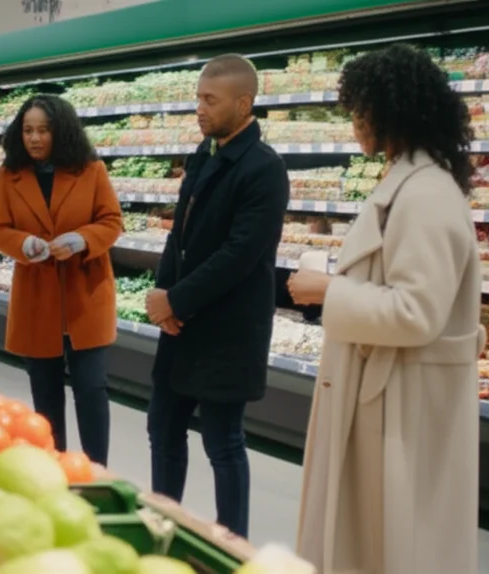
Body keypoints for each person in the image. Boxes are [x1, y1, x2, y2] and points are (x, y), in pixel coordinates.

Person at [289, 43, 483, 574]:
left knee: (397, 545)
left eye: (360, 111)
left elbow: (418, 312)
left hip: (402, 405)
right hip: (388, 394)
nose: (355, 124)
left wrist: (329, 292)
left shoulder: (426, 194)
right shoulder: (412, 182)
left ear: (391, 111)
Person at [144, 54, 289, 539]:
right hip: (181, 323)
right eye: (198, 98)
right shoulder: (203, 155)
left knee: (223, 443)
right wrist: (163, 293)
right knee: (162, 430)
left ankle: (232, 546)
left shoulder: (263, 169)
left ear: (243, 103)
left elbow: (239, 255)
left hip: (227, 329)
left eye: (211, 99)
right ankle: (165, 526)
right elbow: (178, 236)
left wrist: (176, 301)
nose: (200, 108)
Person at [0, 94, 123, 466]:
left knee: (92, 390)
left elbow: (112, 222)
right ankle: (53, 467)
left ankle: (96, 473)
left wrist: (83, 240)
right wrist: (22, 243)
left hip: (86, 295)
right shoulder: (9, 175)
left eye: (43, 130)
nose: (34, 138)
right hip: (37, 296)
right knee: (45, 394)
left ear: (61, 131)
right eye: (28, 130)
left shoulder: (91, 170)